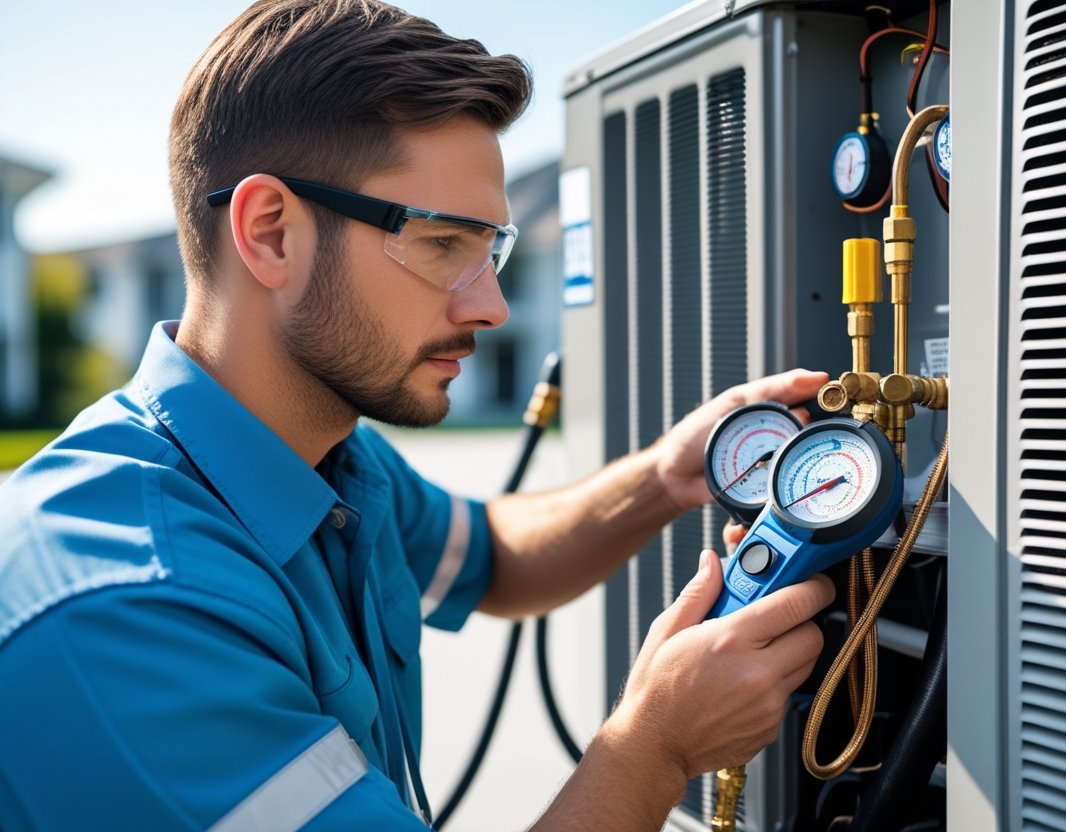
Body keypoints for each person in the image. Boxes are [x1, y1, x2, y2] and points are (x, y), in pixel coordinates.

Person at [0, 1, 834, 829]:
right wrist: (657, 749)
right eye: (444, 245)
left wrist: (666, 475)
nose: (494, 306)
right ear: (271, 234)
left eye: (493, 252)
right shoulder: (127, 603)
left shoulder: (320, 458)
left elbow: (499, 558)